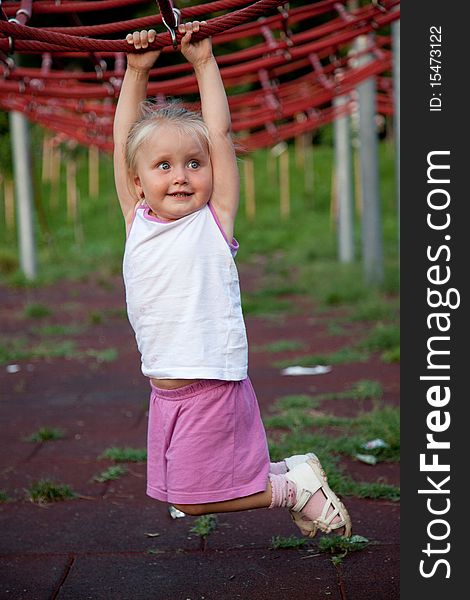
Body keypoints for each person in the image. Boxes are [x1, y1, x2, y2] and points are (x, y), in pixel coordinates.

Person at [113, 23, 351, 538]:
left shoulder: (213, 221)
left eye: (193, 164)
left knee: (196, 504)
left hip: (210, 381)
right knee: (182, 496)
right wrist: (135, 72)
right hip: (165, 391)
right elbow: (121, 142)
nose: (180, 175)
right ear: (138, 181)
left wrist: (204, 63)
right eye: (163, 166)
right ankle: (288, 473)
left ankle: (294, 487)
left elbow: (218, 133)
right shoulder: (137, 223)